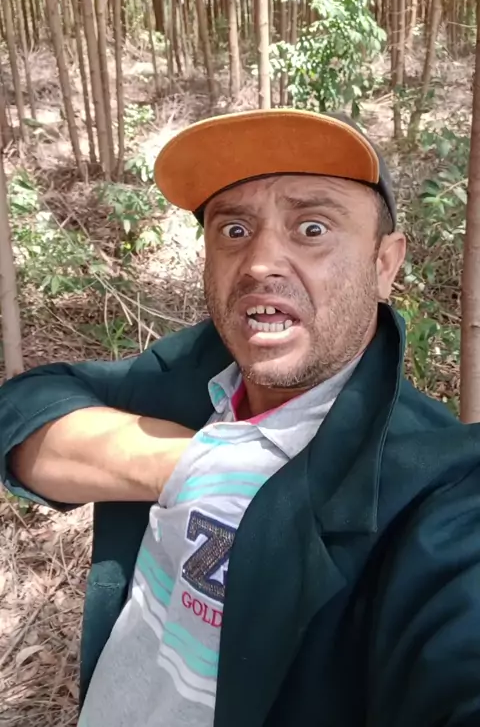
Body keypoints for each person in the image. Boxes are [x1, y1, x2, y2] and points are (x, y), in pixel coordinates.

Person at [2, 109, 480, 727]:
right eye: (234, 230)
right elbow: (24, 409)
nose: (259, 262)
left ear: (384, 264)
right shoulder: (197, 374)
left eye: (312, 227)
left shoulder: (431, 486)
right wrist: (197, 463)